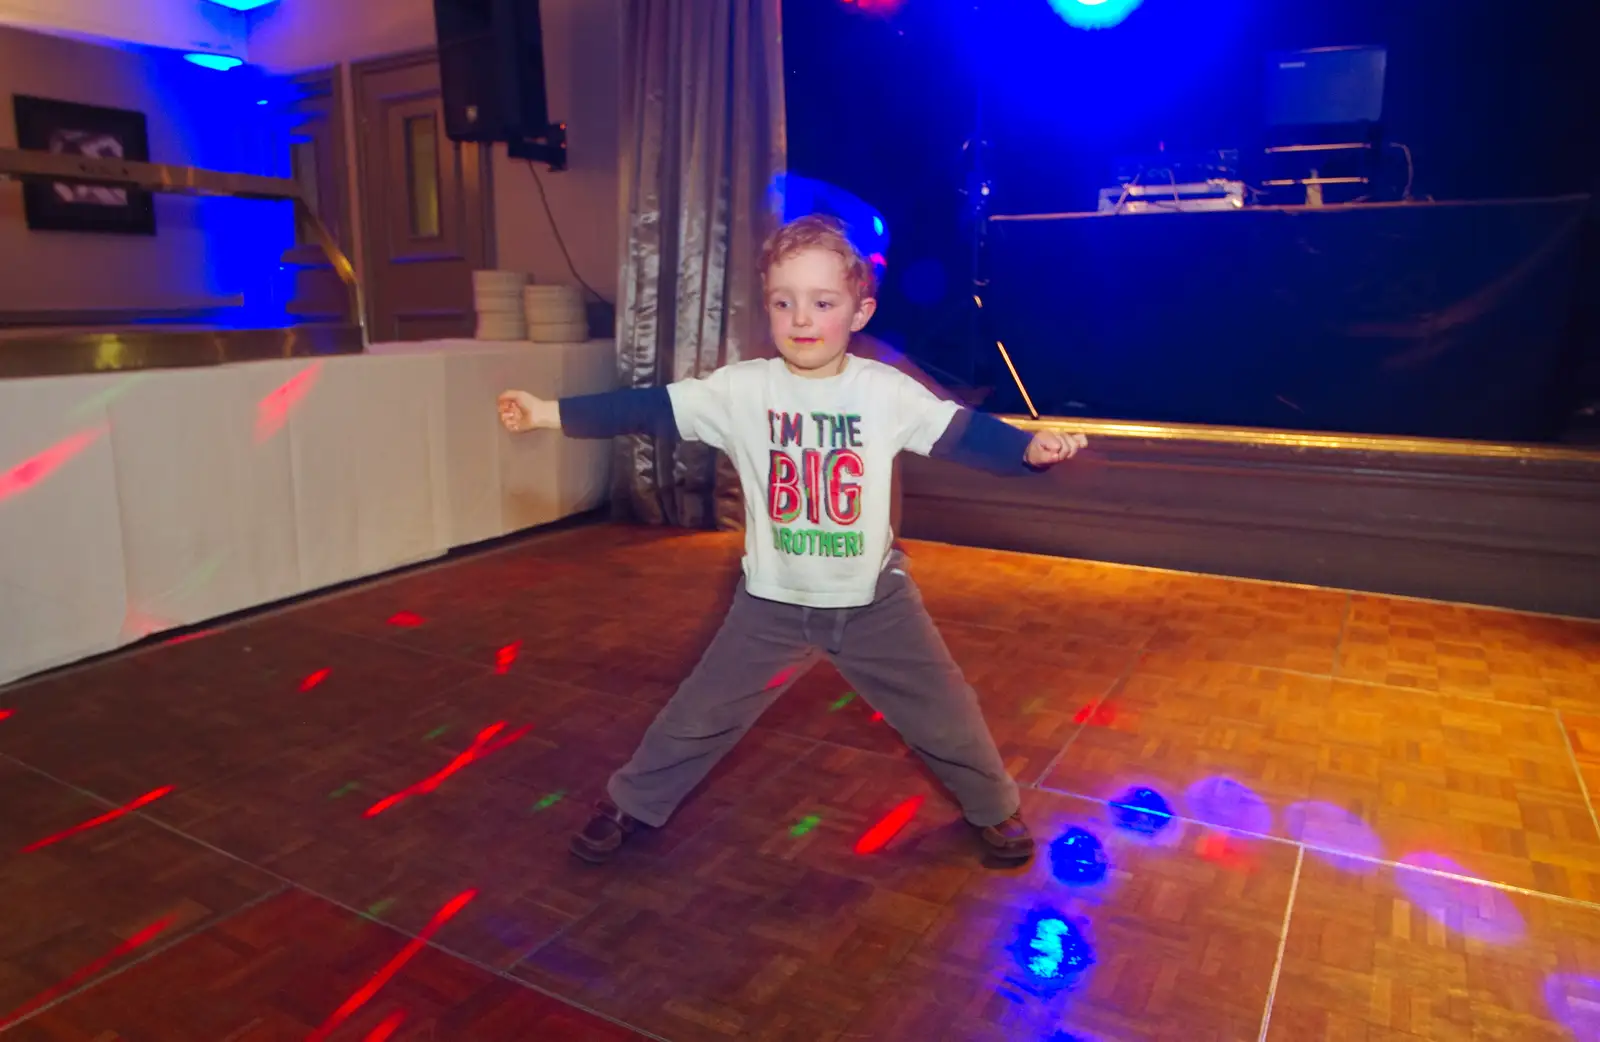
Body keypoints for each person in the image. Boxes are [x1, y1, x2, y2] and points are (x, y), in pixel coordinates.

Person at [497, 214, 1085, 867]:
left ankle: (994, 809)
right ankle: (630, 803)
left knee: (944, 712)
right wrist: (549, 413)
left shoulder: (882, 392)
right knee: (700, 714)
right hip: (770, 605)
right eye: (784, 301)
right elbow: (650, 407)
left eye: (822, 302)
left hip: (874, 602)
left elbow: (961, 433)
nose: (802, 318)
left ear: (859, 312)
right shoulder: (742, 390)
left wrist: (1028, 449)